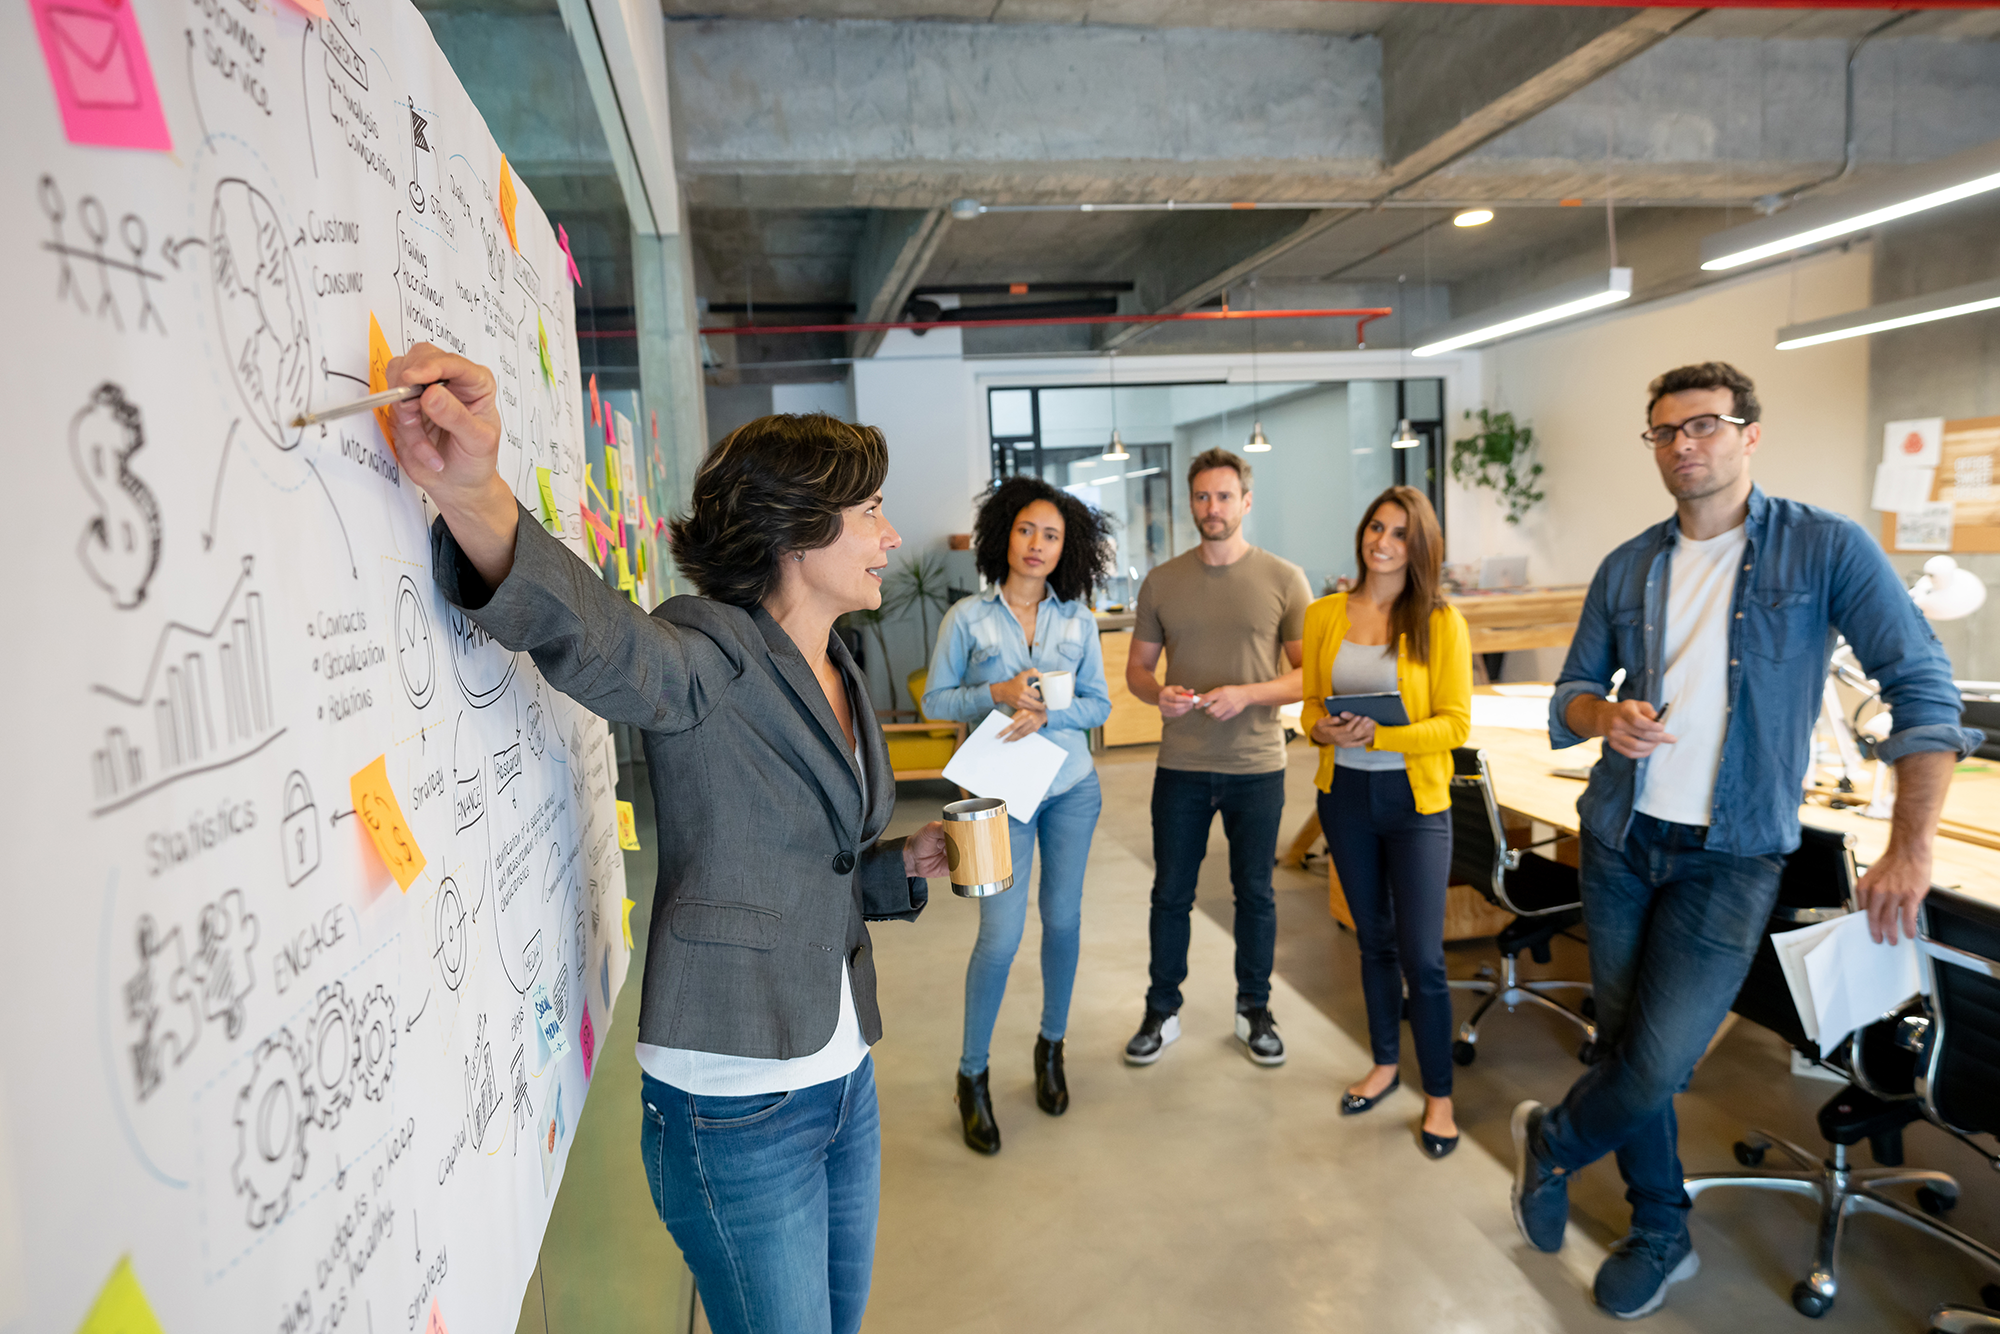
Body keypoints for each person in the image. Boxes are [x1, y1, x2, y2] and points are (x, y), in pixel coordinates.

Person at [384, 342, 950, 1334]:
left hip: (838, 1071)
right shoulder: (705, 653)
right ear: (793, 529)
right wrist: (477, 497)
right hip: (736, 1107)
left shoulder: (841, 668)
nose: (888, 535)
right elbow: (602, 642)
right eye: (866, 513)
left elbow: (807, 864)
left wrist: (901, 862)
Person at [1509, 362, 1979, 1319]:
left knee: (1655, 1062)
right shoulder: (1629, 564)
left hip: (1733, 856)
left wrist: (1911, 844)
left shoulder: (1825, 549)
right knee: (1624, 1048)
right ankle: (1660, 1226)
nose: (1685, 445)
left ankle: (1552, 1143)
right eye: (1666, 432)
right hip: (1621, 837)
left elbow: (1925, 690)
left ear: (1749, 435)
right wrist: (1607, 715)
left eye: (1707, 425)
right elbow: (1565, 702)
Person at [923, 476, 1115, 1154]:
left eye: (1052, 535)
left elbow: (1100, 707)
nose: (1038, 545)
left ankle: (1051, 1048)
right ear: (1005, 533)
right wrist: (995, 693)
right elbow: (935, 703)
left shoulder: (1078, 620)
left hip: (1069, 789)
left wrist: (1050, 710)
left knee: (1063, 921)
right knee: (999, 940)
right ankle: (971, 1075)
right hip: (998, 797)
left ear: (1068, 549)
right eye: (1028, 530)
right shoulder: (967, 620)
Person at [1122, 447, 1312, 1067]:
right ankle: (1162, 1009)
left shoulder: (1284, 579)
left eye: (1224, 496)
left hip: (1257, 766)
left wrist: (1249, 694)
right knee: (1170, 892)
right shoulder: (1162, 582)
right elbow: (1138, 671)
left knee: (1254, 892)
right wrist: (1161, 696)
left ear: (1245, 502)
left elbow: (1310, 676)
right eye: (1202, 496)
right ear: (1191, 503)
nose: (1212, 507)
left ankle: (1254, 1010)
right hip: (1180, 765)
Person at [1301, 486, 1470, 1159]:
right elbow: (1311, 703)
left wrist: (1382, 738)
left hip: (1416, 806)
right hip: (1344, 798)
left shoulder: (1439, 621)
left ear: (1418, 546)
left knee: (1424, 958)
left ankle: (1440, 1097)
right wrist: (1321, 728)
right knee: (1372, 942)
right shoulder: (1324, 615)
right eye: (1376, 527)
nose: (1383, 542)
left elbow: (1456, 724)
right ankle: (1383, 1063)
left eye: (1399, 533)